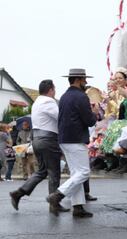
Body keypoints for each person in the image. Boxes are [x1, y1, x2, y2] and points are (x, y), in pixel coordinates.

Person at [9, 80, 70, 212]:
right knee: (54, 173)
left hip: (37, 139)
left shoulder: (37, 102)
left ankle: (18, 193)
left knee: (42, 171)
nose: (55, 92)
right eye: (54, 89)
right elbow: (61, 117)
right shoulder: (49, 101)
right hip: (48, 139)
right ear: (50, 90)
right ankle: (54, 204)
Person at [46, 69, 98, 218]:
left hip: (64, 139)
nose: (86, 82)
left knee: (76, 174)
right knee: (83, 172)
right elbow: (89, 121)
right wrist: (94, 112)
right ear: (78, 79)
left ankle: (78, 207)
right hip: (75, 139)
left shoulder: (64, 96)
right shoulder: (81, 97)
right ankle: (58, 195)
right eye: (84, 80)